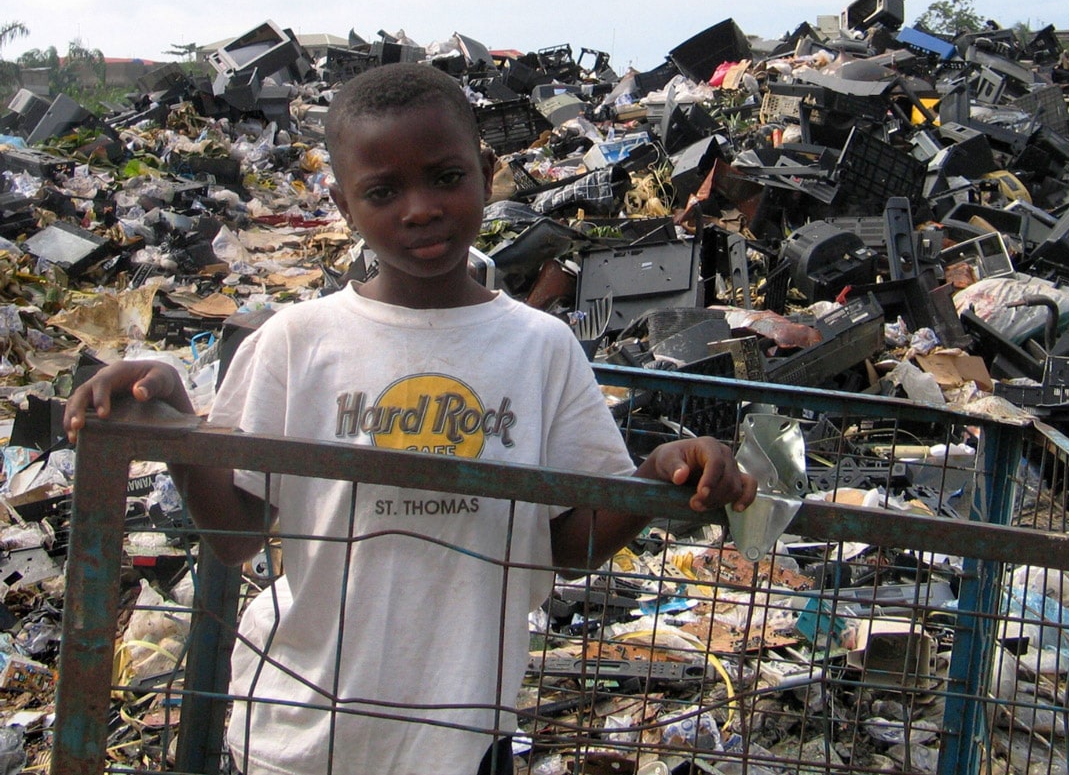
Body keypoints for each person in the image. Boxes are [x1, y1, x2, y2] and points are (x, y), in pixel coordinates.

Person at [64, 62, 756, 775]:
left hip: (459, 736)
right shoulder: (298, 341)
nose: (419, 208)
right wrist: (177, 419)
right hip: (300, 731)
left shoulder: (540, 349)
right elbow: (237, 534)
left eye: (445, 177)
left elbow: (565, 545)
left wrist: (653, 474)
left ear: (487, 173)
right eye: (383, 191)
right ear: (341, 203)